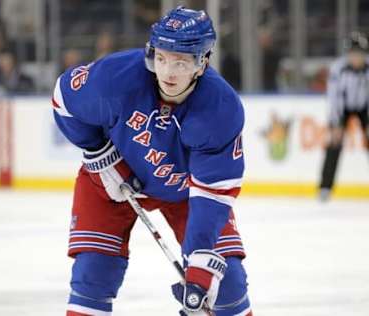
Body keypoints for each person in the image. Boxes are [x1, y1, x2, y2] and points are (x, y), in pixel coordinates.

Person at [53, 7, 252, 316]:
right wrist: (101, 155)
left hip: (185, 193)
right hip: (112, 179)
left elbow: (212, 194)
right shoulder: (117, 77)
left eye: (180, 62)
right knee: (92, 275)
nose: (168, 72)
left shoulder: (219, 109)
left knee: (228, 285)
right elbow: (63, 100)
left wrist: (199, 273)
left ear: (202, 63)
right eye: (161, 58)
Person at [319, 32, 369, 201]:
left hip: (364, 107)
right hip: (343, 107)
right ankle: (325, 188)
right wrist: (336, 122)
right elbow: (334, 98)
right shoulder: (338, 69)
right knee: (334, 144)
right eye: (352, 54)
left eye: (358, 54)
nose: (355, 58)